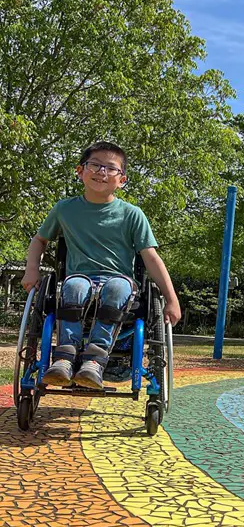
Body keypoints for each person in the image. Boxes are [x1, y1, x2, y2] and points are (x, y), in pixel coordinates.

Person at [21, 141, 181, 390]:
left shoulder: (132, 214)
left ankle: (94, 361)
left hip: (119, 280)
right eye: (94, 165)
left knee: (116, 288)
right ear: (80, 171)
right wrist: (31, 269)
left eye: (111, 168)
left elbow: (151, 257)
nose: (101, 172)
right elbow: (39, 240)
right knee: (72, 286)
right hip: (80, 277)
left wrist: (171, 298)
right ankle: (64, 358)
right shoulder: (64, 209)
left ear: (122, 179)